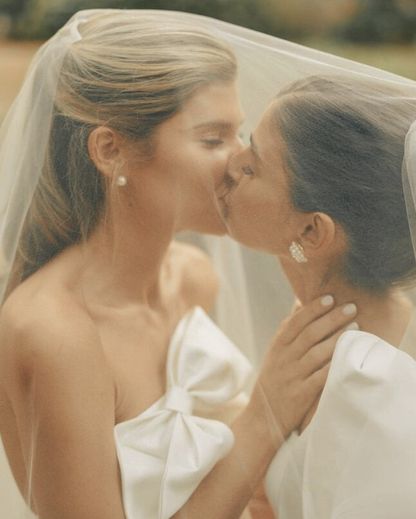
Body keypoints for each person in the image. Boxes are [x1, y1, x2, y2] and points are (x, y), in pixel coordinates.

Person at [0, 10, 355, 519]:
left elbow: (230, 484)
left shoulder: (193, 279)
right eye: (212, 140)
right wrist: (266, 415)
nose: (239, 161)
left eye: (239, 134)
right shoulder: (56, 334)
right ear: (110, 150)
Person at [217, 74, 416, 517]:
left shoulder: (370, 383)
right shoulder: (332, 323)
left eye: (252, 164)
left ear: (313, 231)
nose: (230, 163)